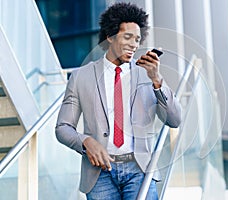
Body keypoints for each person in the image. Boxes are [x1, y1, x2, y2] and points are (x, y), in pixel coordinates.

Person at [55, 2, 181, 200]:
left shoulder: (147, 75)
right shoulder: (81, 77)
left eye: (138, 39)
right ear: (110, 36)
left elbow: (174, 120)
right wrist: (86, 142)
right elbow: (62, 127)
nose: (134, 44)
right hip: (99, 173)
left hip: (139, 170)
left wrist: (157, 80)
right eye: (128, 37)